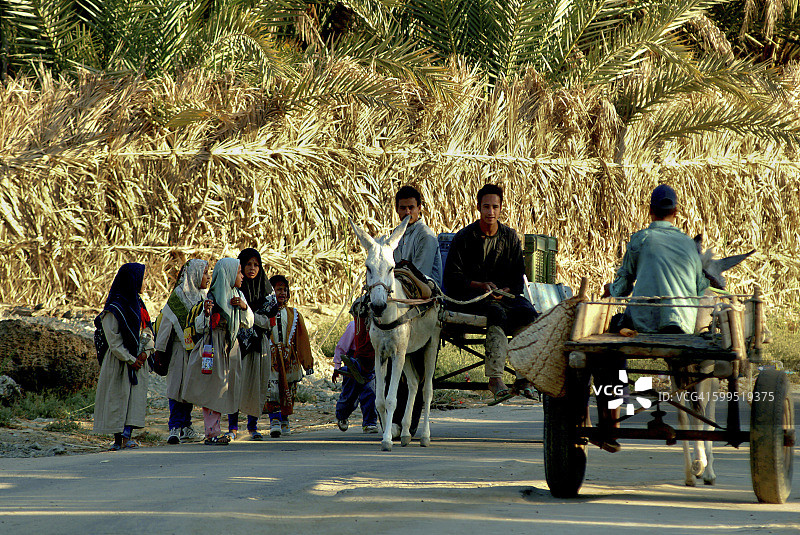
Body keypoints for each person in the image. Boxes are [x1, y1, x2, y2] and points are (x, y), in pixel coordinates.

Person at [595, 184, 710, 452]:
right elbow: (699, 288)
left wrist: (609, 289)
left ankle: (611, 422)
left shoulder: (641, 239)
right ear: (676, 212)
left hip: (643, 325)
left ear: (650, 211)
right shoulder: (688, 245)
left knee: (608, 342)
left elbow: (622, 288)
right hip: (681, 327)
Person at [442, 183, 538, 401]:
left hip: (504, 298)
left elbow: (518, 278)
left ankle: (524, 378)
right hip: (470, 298)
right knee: (496, 312)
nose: (490, 212)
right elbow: (452, 279)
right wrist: (481, 286)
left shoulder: (510, 237)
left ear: (501, 208)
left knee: (528, 314)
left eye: (495, 207)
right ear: (478, 208)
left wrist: (505, 290)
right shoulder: (464, 238)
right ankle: (495, 378)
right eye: (486, 207)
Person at [182, 258, 254, 445]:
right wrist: (206, 313)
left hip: (230, 349)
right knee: (213, 389)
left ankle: (220, 430)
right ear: (228, 274)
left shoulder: (238, 296)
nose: (242, 276)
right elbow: (199, 326)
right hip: (213, 348)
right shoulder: (211, 297)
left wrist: (243, 307)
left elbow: (249, 321)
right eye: (239, 272)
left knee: (226, 389)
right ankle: (212, 432)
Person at [93, 263, 154, 450]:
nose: (145, 283)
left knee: (133, 399)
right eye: (142, 279)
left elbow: (148, 330)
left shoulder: (139, 305)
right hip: (120, 362)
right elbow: (114, 341)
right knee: (118, 399)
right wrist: (131, 359)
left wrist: (145, 352)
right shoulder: (115, 309)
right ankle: (118, 438)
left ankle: (128, 436)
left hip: (138, 360)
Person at [154, 259, 209, 445]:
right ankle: (174, 427)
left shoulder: (203, 298)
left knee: (189, 389)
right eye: (205, 273)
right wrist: (159, 353)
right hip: (178, 351)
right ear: (194, 274)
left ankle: (186, 426)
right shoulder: (177, 297)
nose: (208, 277)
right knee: (176, 389)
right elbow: (165, 329)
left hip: (195, 351)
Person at [227, 248, 278, 441]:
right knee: (235, 385)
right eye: (248, 264)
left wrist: (246, 310)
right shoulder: (233, 289)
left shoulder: (267, 293)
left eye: (256, 265)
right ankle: (232, 427)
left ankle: (252, 427)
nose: (252, 268)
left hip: (259, 344)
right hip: (236, 343)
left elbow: (268, 322)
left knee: (255, 385)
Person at [264, 275, 314, 438]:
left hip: (289, 358)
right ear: (271, 292)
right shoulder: (264, 312)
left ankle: (285, 420)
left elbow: (302, 339)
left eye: (285, 290)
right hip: (271, 358)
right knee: (272, 391)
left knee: (289, 390)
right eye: (279, 290)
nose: (283, 293)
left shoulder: (294, 314)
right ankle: (275, 421)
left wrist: (307, 362)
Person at [333, 313, 378, 434]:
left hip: (372, 363)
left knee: (371, 392)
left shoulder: (380, 327)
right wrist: (337, 366)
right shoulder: (354, 326)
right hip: (354, 362)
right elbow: (341, 347)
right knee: (349, 394)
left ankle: (370, 423)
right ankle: (342, 415)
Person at [393, 185, 443, 286]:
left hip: (425, 293)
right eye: (403, 208)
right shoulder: (396, 233)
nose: (407, 212)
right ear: (397, 210)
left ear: (419, 208)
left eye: (411, 208)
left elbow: (420, 276)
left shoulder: (425, 236)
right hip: (402, 288)